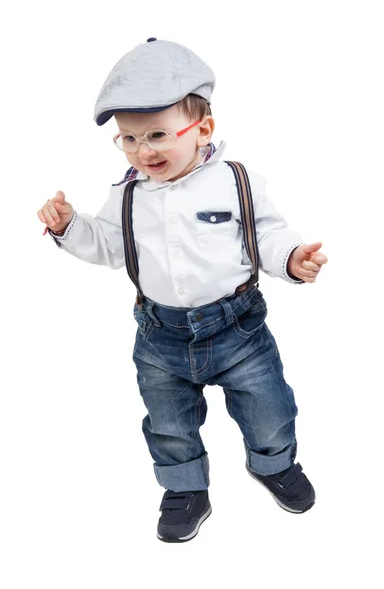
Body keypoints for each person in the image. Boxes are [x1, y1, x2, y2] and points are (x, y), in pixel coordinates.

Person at [37, 38, 328, 543]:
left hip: (239, 329)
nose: (143, 150)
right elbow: (108, 246)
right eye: (128, 139)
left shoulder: (236, 181)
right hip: (160, 336)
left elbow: (267, 236)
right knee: (169, 424)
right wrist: (70, 227)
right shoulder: (126, 196)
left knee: (270, 408)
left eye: (157, 134)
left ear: (203, 130)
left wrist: (292, 259)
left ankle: (273, 463)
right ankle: (185, 487)